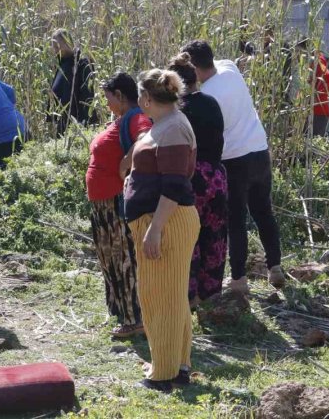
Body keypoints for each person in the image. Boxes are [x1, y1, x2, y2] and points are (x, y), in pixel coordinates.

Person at [180, 40, 285, 294]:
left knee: (236, 219)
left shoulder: (208, 96)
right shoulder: (229, 68)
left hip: (235, 159)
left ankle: (238, 279)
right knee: (263, 212)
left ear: (193, 67)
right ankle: (275, 267)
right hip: (259, 149)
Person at [123, 69, 200, 392]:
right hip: (159, 221)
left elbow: (174, 186)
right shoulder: (166, 125)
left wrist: (155, 229)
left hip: (166, 223)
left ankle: (164, 374)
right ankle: (177, 365)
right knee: (170, 295)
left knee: (160, 298)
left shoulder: (174, 130)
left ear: (146, 98)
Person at [85, 72, 152, 338]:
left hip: (116, 203)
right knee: (110, 259)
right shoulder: (123, 119)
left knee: (124, 259)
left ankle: (136, 319)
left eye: (109, 97)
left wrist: (126, 160)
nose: (107, 103)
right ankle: (123, 313)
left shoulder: (136, 117)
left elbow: (146, 139)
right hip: (102, 205)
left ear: (121, 96)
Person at [168, 54, 229, 305]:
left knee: (187, 238)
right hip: (217, 177)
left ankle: (189, 296)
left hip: (191, 178)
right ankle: (211, 295)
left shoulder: (177, 111)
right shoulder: (212, 103)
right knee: (214, 238)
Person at [48, 28, 96, 135]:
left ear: (68, 43)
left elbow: (87, 96)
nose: (55, 50)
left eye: (58, 46)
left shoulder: (82, 63)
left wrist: (84, 123)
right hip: (63, 122)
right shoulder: (62, 64)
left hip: (77, 124)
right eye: (54, 47)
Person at [296, 39, 329, 137]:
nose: (298, 56)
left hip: (315, 113)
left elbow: (313, 93)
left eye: (300, 52)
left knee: (308, 145)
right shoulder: (318, 65)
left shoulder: (316, 66)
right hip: (317, 112)